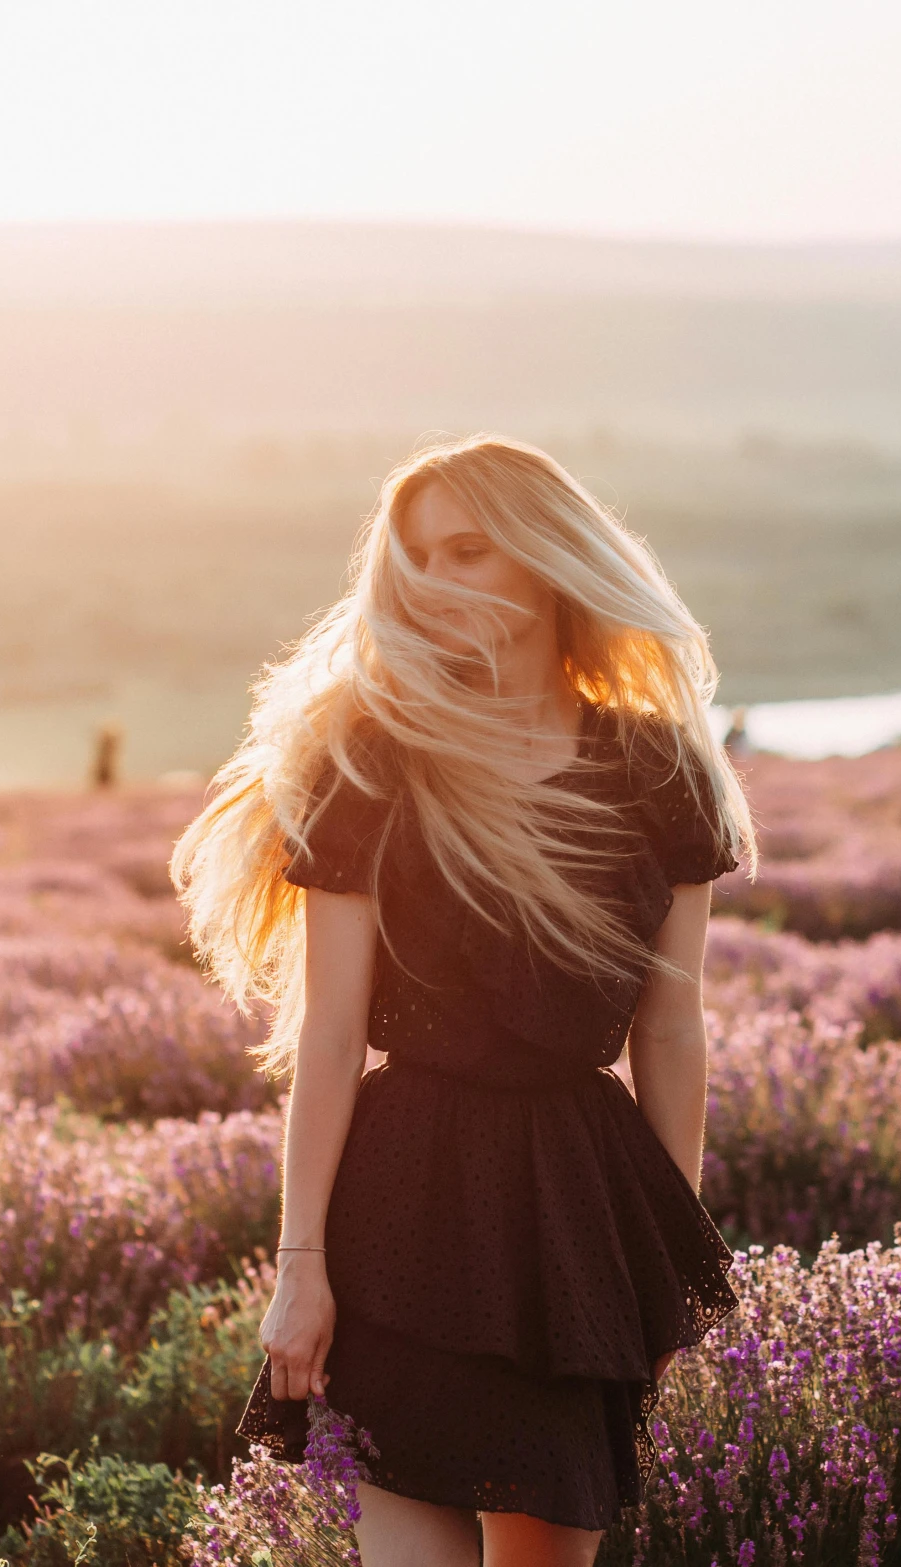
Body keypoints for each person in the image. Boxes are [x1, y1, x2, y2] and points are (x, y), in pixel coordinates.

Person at [170, 434, 755, 1565]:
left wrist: (660, 1262)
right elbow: (329, 1037)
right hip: (399, 1205)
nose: (437, 580)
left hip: (571, 1221)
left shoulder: (657, 768)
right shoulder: (370, 761)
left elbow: (671, 1030)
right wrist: (300, 1267)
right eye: (420, 559)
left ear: (545, 558)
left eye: (469, 551)